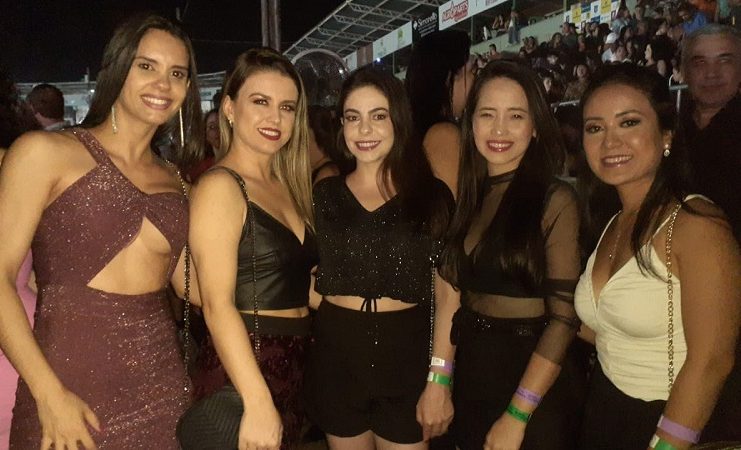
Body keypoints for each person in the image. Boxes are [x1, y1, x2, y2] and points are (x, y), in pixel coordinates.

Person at [0, 14, 203, 449]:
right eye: (146, 66)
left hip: (161, 389)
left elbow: (198, 289)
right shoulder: (44, 152)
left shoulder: (178, 182)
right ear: (117, 68)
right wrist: (49, 394)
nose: (163, 84)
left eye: (177, 73)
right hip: (64, 384)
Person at [575, 64, 741, 450]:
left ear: (666, 134)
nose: (610, 141)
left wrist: (666, 444)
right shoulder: (612, 220)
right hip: (605, 409)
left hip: (673, 421)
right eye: (595, 128)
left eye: (629, 122)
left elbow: (712, 361)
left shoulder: (697, 226)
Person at [304, 67, 455, 450]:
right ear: (341, 126)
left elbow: (449, 295)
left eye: (378, 116)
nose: (364, 129)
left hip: (406, 356)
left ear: (398, 120)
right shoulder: (324, 196)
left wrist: (440, 379)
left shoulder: (431, 196)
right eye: (353, 117)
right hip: (337, 357)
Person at [441, 60, 583, 450]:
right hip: (473, 373)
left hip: (532, 382)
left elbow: (564, 319)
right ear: (471, 123)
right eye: (487, 114)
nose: (499, 129)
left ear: (535, 126)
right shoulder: (471, 195)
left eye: (516, 116)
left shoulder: (555, 200)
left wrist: (518, 414)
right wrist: (441, 377)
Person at [188, 47, 316, 450]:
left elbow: (302, 286)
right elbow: (215, 304)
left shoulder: (288, 185)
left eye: (287, 107)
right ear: (229, 108)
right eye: (260, 102)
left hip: (292, 365)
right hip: (246, 367)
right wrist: (257, 400)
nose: (275, 118)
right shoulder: (221, 186)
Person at [678, 24, 741, 442]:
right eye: (700, 62)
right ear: (685, 71)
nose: (712, 73)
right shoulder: (670, 128)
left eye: (725, 61)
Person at [406, 30, 474, 196]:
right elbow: (450, 207)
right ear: (449, 78)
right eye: (472, 71)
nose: (476, 79)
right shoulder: (444, 135)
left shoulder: (418, 128)